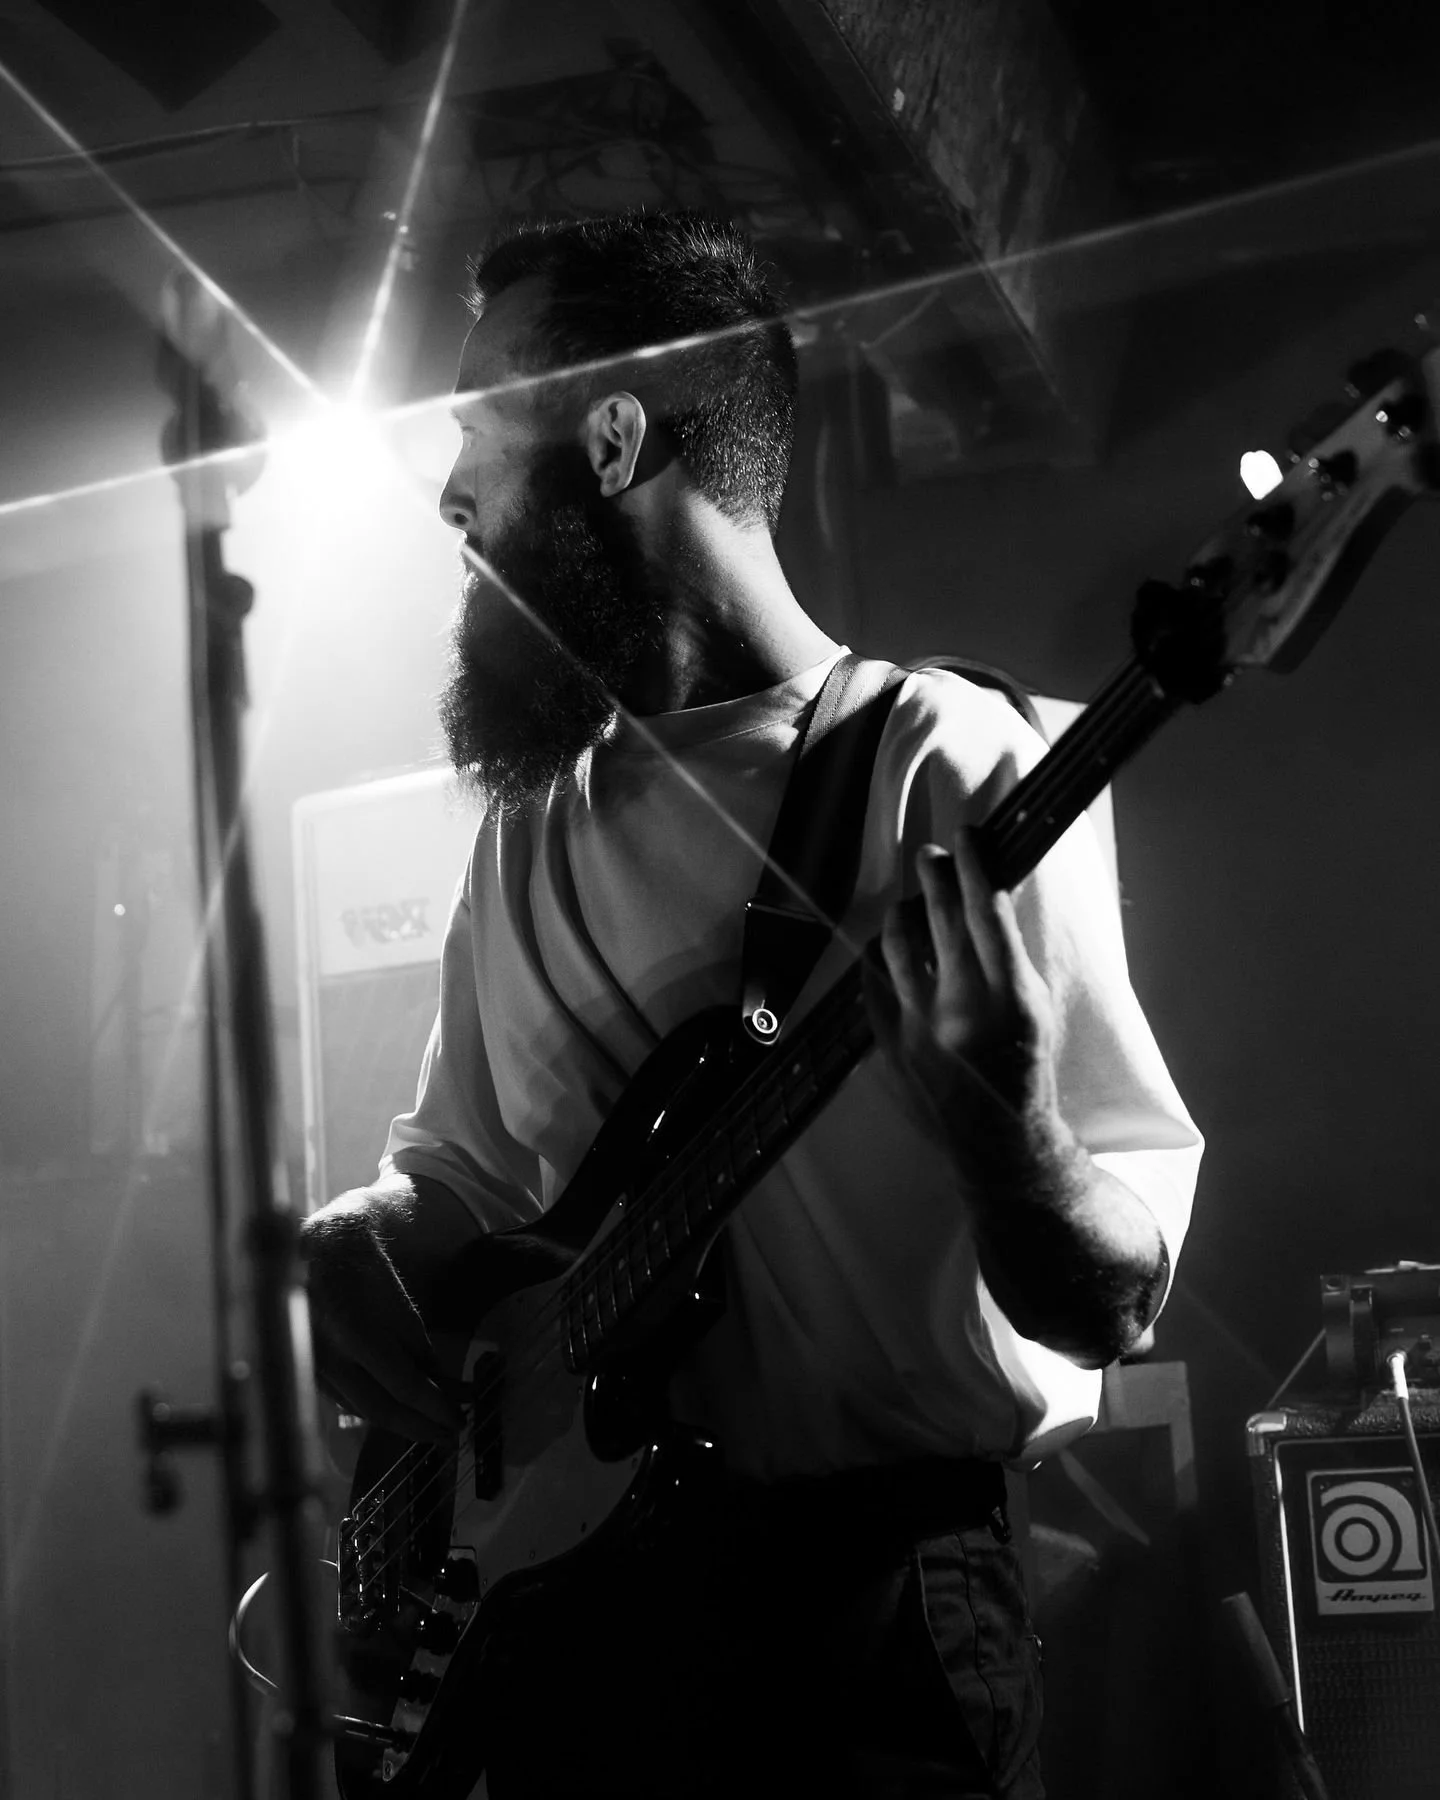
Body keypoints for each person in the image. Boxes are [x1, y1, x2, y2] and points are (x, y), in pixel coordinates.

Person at [301, 211, 1202, 1798]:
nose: (447, 498)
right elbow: (455, 1185)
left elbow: (1112, 1303)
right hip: (577, 1629)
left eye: (474, 437)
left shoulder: (954, 768)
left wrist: (1013, 1137)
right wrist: (353, 1242)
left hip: (874, 1625)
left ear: (614, 434)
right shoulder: (525, 831)